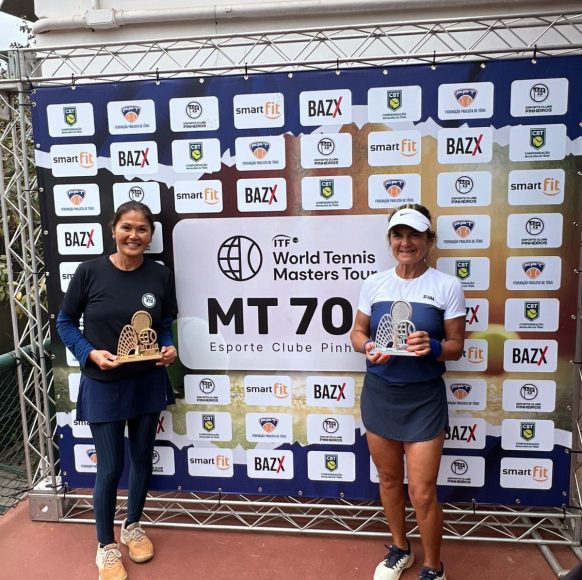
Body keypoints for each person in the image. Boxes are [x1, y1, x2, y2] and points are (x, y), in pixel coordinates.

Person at [57, 201, 178, 580]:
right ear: (113, 229)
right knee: (110, 467)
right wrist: (89, 353)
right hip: (103, 385)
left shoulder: (160, 275)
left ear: (150, 235)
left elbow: (165, 324)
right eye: (127, 227)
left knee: (142, 459)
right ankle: (106, 546)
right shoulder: (89, 272)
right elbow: (64, 322)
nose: (134, 235)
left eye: (142, 229)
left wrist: (169, 347)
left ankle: (132, 526)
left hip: (147, 382)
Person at [350, 204, 465, 580]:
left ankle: (434, 567)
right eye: (398, 235)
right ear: (390, 240)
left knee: (422, 492)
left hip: (423, 400)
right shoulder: (374, 283)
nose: (405, 242)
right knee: (387, 480)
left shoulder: (447, 286)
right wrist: (367, 346)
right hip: (380, 394)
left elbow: (456, 346)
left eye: (414, 235)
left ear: (429, 240)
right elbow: (357, 333)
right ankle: (401, 549)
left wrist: (433, 346)